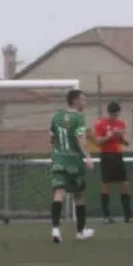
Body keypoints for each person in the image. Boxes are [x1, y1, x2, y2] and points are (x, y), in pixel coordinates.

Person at [48, 90, 95, 242]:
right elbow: (81, 138)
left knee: (59, 193)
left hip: (58, 159)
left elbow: (52, 137)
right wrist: (88, 157)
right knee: (79, 195)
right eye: (83, 100)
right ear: (75, 101)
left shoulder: (57, 116)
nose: (85, 103)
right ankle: (80, 232)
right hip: (74, 161)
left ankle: (55, 229)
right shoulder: (79, 118)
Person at [93, 101, 133, 223]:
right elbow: (98, 142)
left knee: (124, 183)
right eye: (113, 114)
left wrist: (120, 136)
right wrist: (111, 135)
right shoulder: (101, 124)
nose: (115, 117)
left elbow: (127, 143)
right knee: (107, 184)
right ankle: (106, 216)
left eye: (117, 114)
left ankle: (128, 214)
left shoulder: (121, 124)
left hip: (118, 155)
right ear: (109, 113)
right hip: (106, 156)